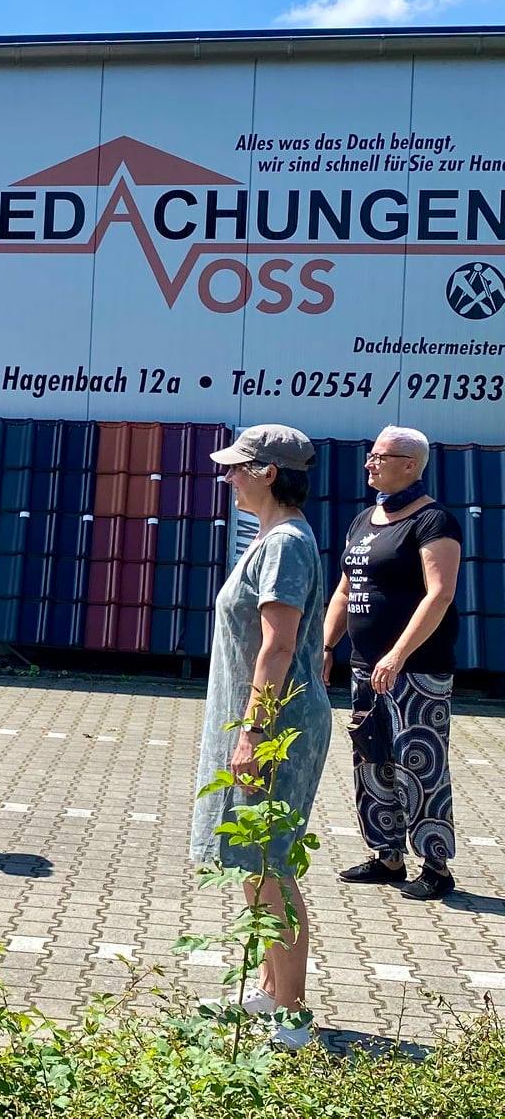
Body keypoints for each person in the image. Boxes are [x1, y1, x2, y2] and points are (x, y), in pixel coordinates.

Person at [189, 424, 330, 1051]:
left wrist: (253, 733)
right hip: (261, 724)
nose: (228, 479)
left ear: (268, 472)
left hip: (276, 730)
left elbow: (277, 646)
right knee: (253, 858)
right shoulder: (272, 538)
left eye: (236, 468)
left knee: (272, 864)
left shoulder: (286, 545)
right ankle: (273, 989)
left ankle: (293, 1016)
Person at [322, 426, 462, 901]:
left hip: (417, 669)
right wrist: (324, 648)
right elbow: (345, 589)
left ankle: (436, 866)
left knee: (419, 763)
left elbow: (440, 593)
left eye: (380, 457)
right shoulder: (365, 519)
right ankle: (387, 856)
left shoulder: (433, 521)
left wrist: (398, 654)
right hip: (365, 666)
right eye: (370, 455)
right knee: (372, 757)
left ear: (410, 464)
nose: (369, 464)